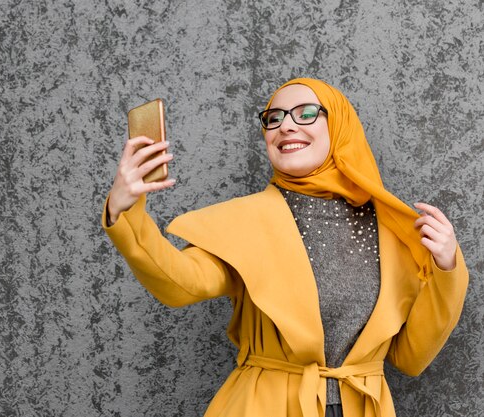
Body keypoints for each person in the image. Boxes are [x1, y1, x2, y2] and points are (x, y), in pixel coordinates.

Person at [101, 78, 469, 417]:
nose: (285, 126)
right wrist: (125, 209)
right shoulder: (246, 221)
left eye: (305, 113)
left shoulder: (393, 230)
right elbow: (181, 283)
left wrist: (447, 267)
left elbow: (411, 355)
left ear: (339, 125)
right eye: (273, 118)